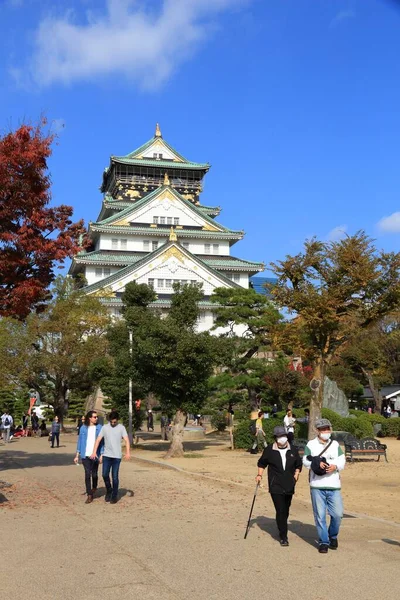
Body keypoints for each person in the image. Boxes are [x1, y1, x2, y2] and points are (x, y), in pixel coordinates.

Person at [303, 418, 346, 553]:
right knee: (320, 515)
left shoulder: (335, 445)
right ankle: (324, 541)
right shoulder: (311, 444)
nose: (326, 431)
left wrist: (335, 466)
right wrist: (317, 464)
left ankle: (333, 535)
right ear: (317, 430)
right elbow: (305, 460)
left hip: (334, 484)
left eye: (328, 429)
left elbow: (342, 460)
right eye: (323, 429)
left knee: (338, 514)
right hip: (317, 485)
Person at [256, 426, 302, 546]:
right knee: (280, 509)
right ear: (275, 438)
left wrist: (296, 474)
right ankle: (283, 536)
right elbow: (262, 463)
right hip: (275, 484)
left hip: (289, 483)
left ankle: (282, 525)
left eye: (284, 436)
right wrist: (259, 475)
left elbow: (298, 464)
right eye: (280, 436)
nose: (282, 438)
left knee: (286, 509)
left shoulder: (293, 449)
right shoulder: (269, 450)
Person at [91, 411, 130, 504]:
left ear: (117, 420)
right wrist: (94, 452)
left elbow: (127, 440)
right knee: (104, 474)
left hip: (117, 456)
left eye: (114, 422)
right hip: (107, 455)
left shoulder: (121, 428)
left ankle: (114, 495)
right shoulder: (105, 428)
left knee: (115, 476)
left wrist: (128, 452)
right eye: (111, 422)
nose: (113, 424)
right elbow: (98, 440)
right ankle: (109, 490)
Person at [74, 411, 103, 504]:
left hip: (95, 455)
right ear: (89, 418)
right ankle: (89, 495)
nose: (96, 418)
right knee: (87, 474)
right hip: (85, 454)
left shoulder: (99, 428)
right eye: (94, 417)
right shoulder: (83, 428)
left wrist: (102, 454)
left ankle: (94, 486)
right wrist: (77, 454)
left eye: (97, 417)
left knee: (94, 474)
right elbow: (80, 441)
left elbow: (102, 443)